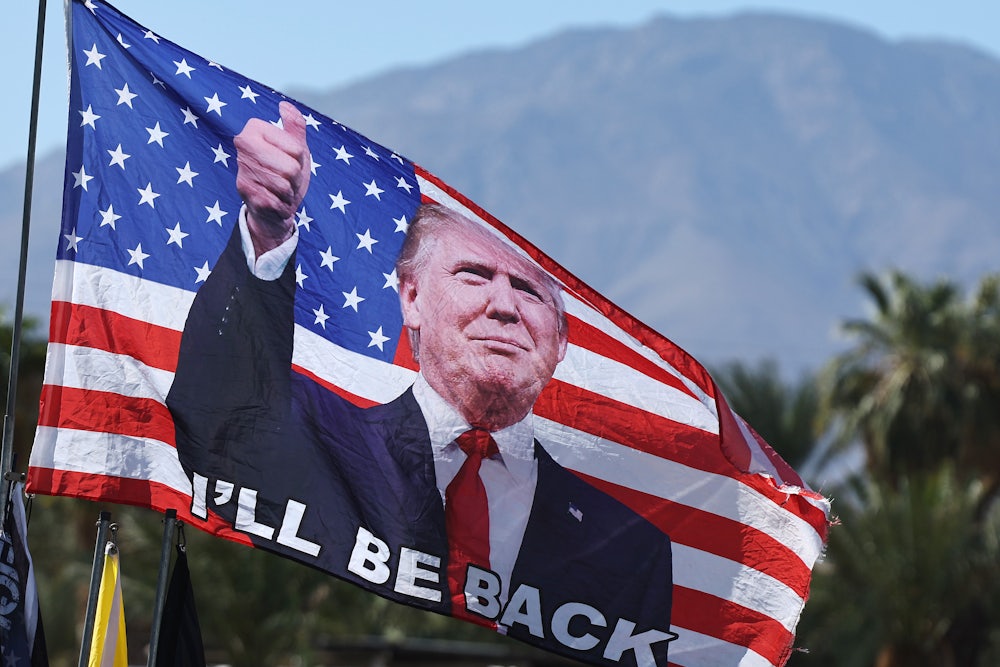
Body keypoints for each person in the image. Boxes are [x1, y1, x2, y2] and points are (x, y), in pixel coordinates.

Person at [167, 102, 675, 666]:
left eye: (529, 291)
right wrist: (267, 230)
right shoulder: (316, 433)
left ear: (558, 343)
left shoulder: (630, 546)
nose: (503, 306)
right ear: (410, 299)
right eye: (474, 275)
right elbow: (217, 408)